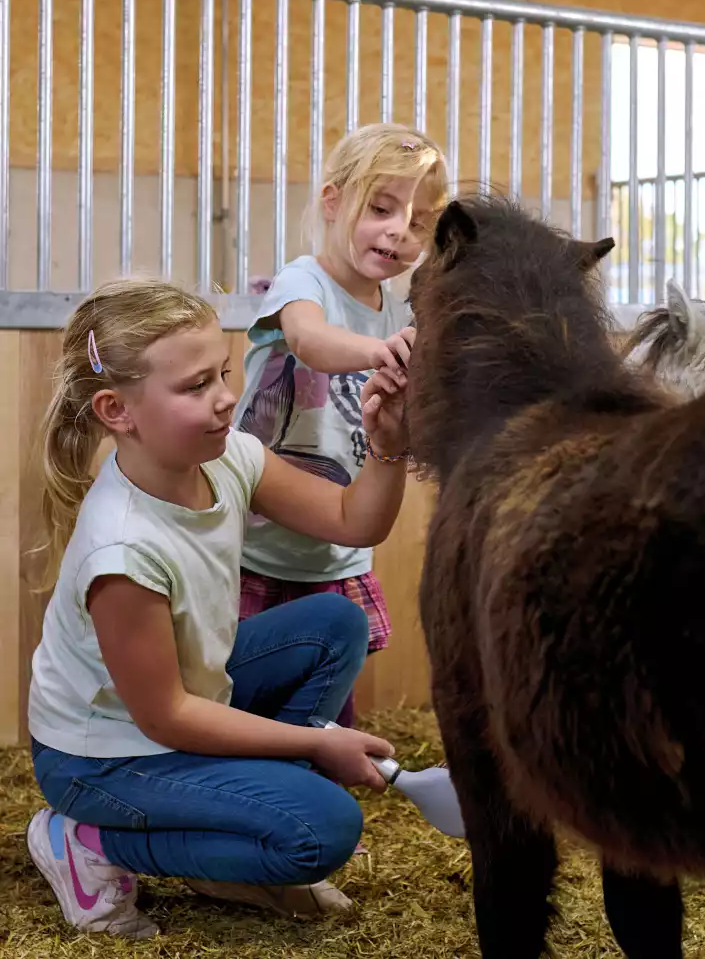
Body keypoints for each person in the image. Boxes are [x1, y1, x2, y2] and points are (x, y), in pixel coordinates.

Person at [25, 276, 414, 939]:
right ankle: (88, 843)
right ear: (117, 411)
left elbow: (354, 521)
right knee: (321, 831)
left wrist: (388, 441)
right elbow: (168, 716)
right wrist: (318, 743)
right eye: (195, 386)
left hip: (180, 703)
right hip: (102, 758)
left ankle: (235, 844)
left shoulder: (228, 455)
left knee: (334, 623)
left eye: (224, 373)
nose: (226, 397)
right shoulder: (121, 547)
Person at [235, 123, 447, 730]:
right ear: (333, 201)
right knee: (247, 700)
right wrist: (383, 353)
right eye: (381, 208)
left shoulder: (400, 313)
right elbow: (310, 340)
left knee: (325, 709)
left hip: (336, 557)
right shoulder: (306, 281)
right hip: (256, 549)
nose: (397, 232)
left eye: (417, 223)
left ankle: (317, 794)